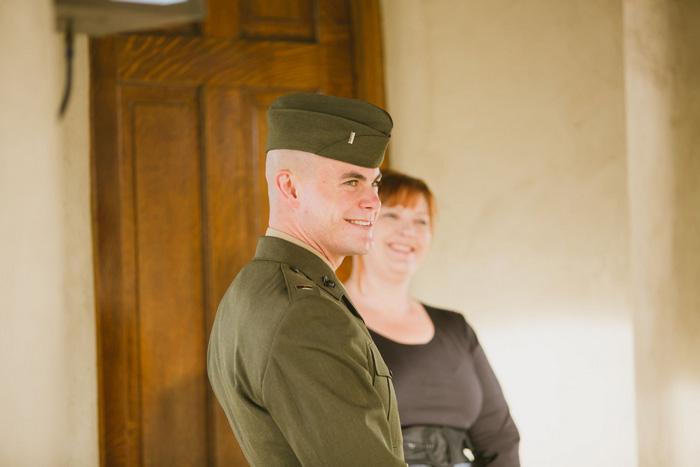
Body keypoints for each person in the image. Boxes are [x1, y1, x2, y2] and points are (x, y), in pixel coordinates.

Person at [207, 93, 406, 466]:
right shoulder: (304, 315)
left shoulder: (252, 286)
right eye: (351, 182)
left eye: (374, 183)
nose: (373, 202)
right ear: (290, 188)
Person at [344, 170, 521, 467]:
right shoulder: (332, 321)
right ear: (362, 221)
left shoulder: (456, 329)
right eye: (392, 216)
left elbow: (500, 440)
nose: (408, 231)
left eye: (420, 221)